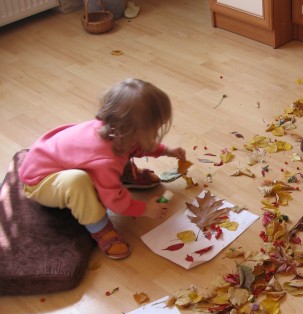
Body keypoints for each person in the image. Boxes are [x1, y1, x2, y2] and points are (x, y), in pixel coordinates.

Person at [19, 78, 186, 260]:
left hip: (53, 161)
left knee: (112, 160)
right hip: (40, 183)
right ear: (133, 130)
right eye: (156, 128)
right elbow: (115, 202)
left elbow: (137, 145)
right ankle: (100, 230)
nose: (158, 131)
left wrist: (166, 150)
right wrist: (145, 209)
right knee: (78, 181)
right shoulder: (106, 160)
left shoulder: (119, 131)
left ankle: (121, 175)